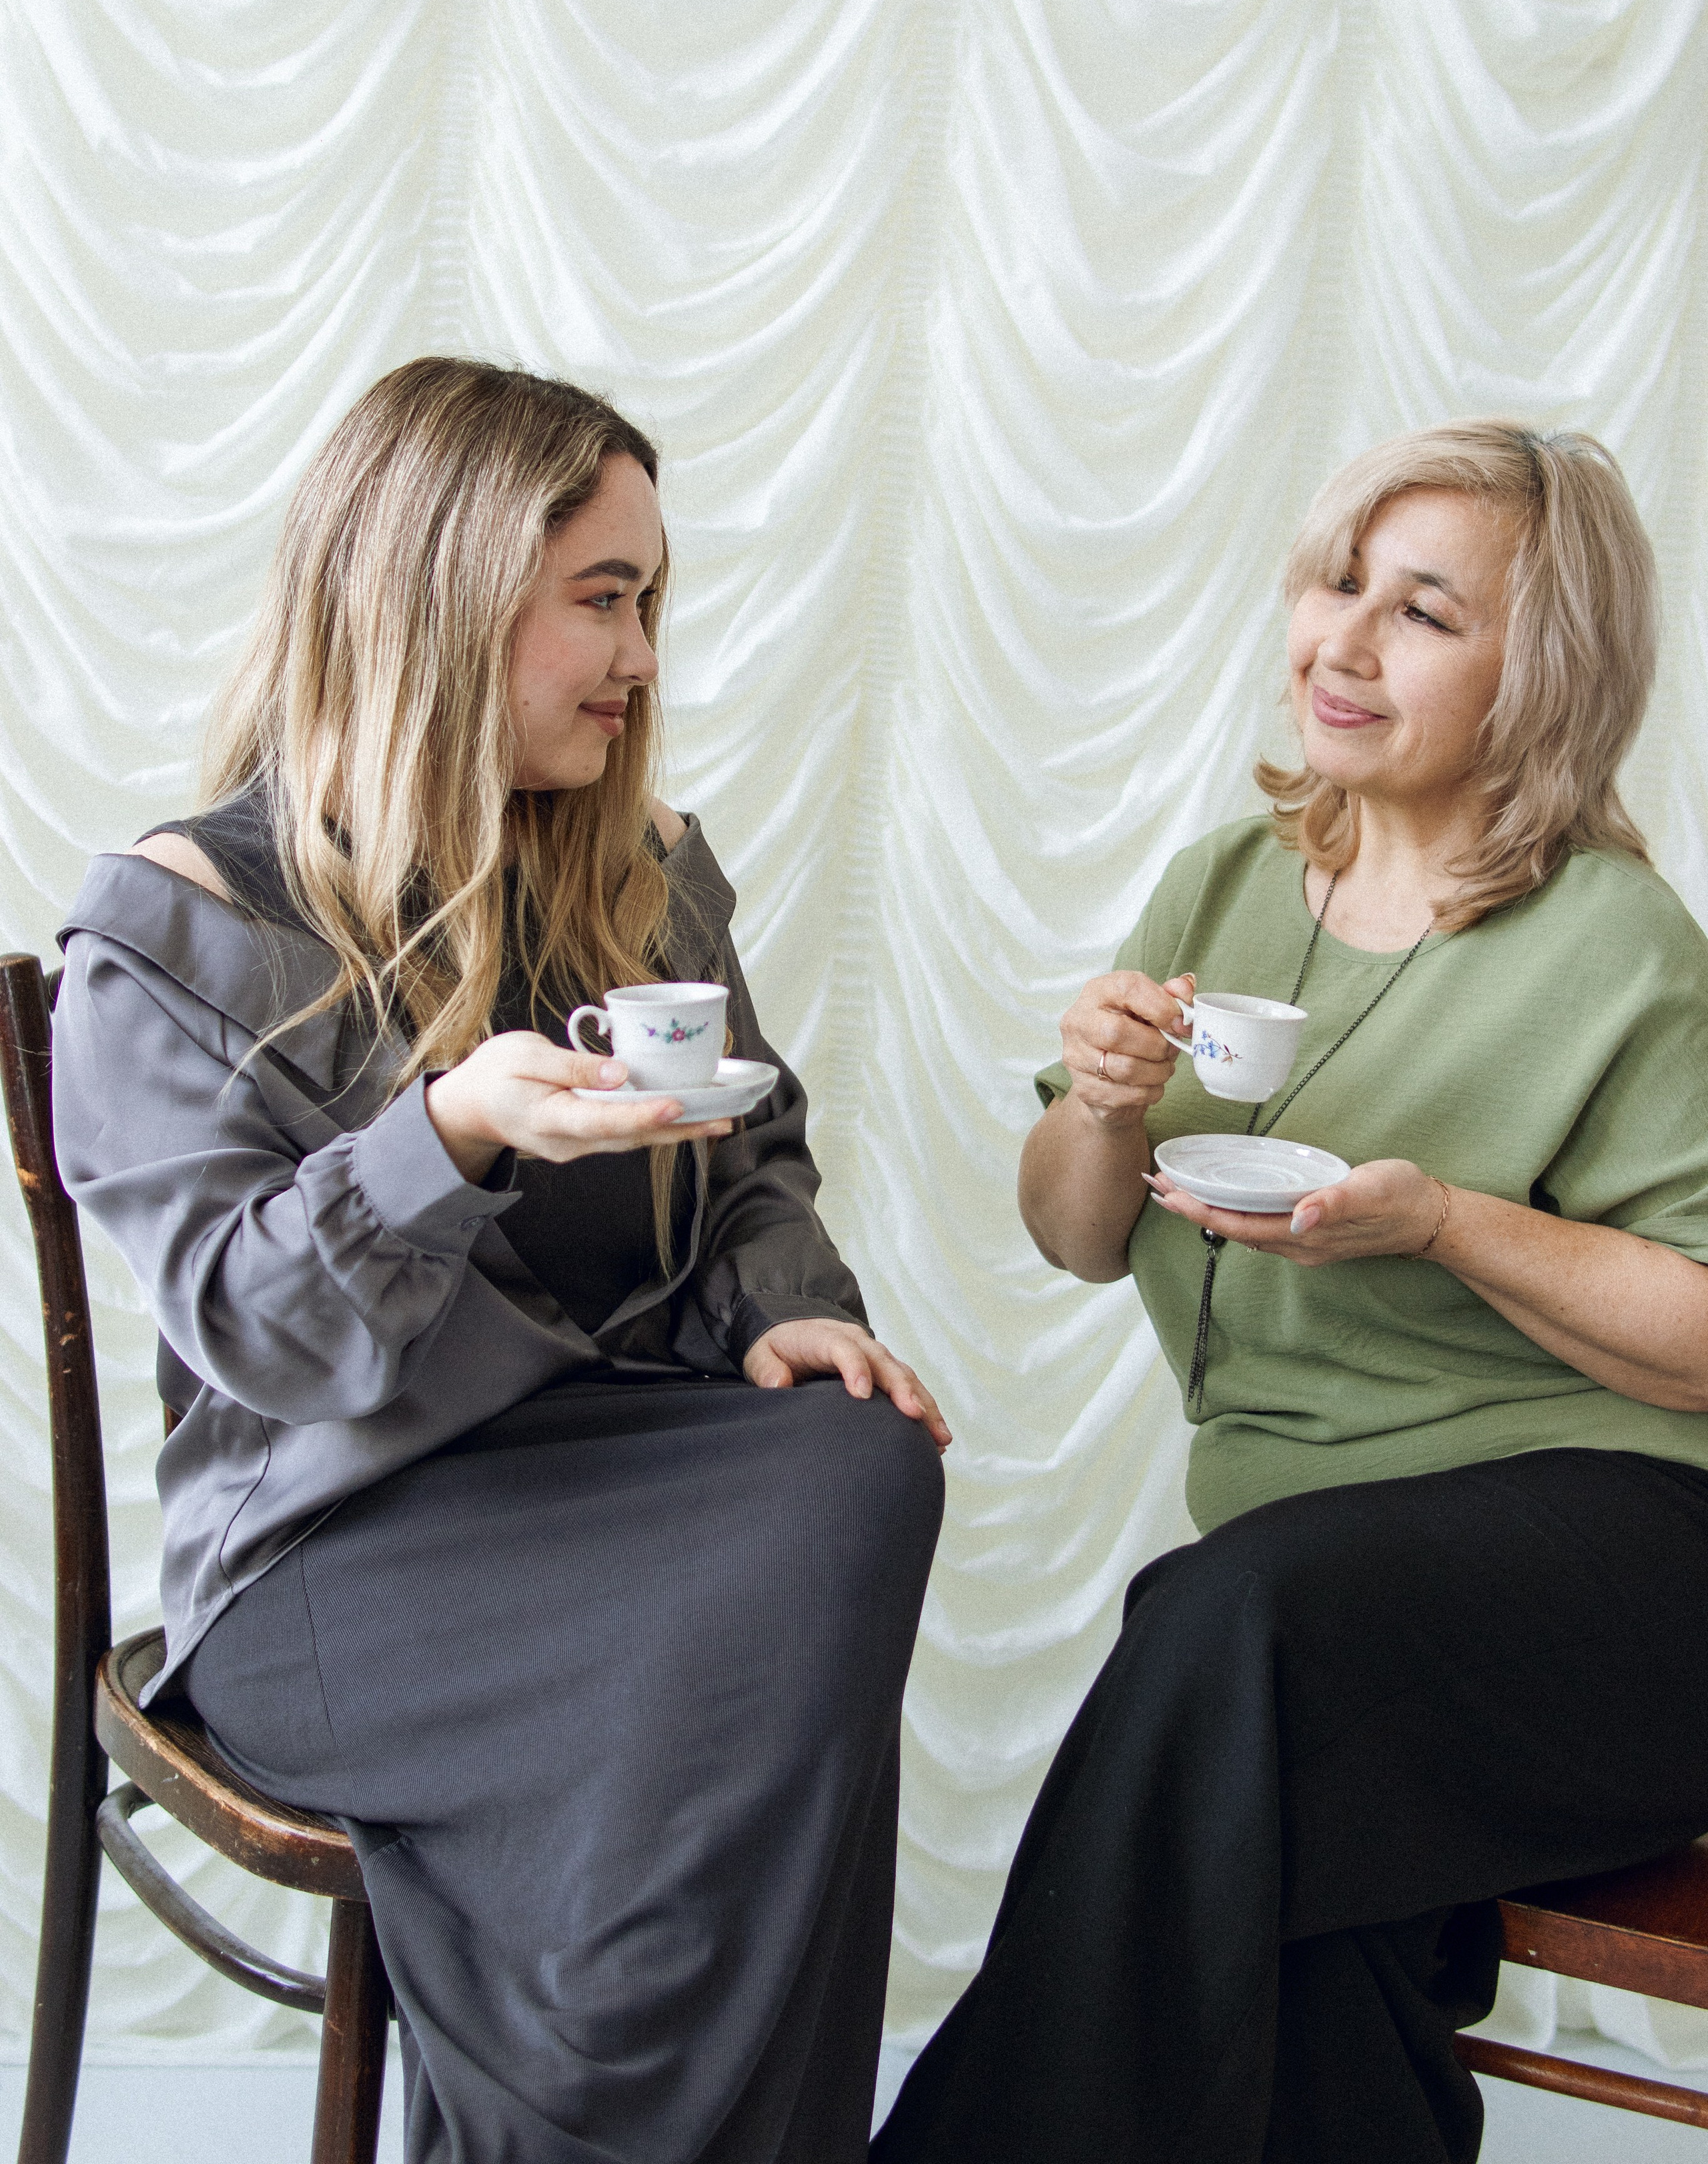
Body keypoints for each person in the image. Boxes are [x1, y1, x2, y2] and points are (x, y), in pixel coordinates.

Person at [51, 357, 948, 2164]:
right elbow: (252, 1332)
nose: (643, 660)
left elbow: (754, 1161)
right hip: (334, 1558)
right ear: (441, 601)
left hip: (612, 1489)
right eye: (603, 600)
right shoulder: (178, 928)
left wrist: (786, 1313)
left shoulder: (641, 874)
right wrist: (447, 1135)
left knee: (860, 1461)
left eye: (652, 604)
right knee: (737, 1707)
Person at [874, 420, 1708, 2164]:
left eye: (1423, 612)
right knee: (1298, 1906)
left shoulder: (1618, 944)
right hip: (1330, 1604)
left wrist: (1446, 1225)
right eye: (1338, 583)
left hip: (1623, 1568)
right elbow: (1075, 1235)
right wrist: (1106, 1108)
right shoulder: (1228, 887)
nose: (1344, 640)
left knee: (1218, 1632)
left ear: (1544, 671)